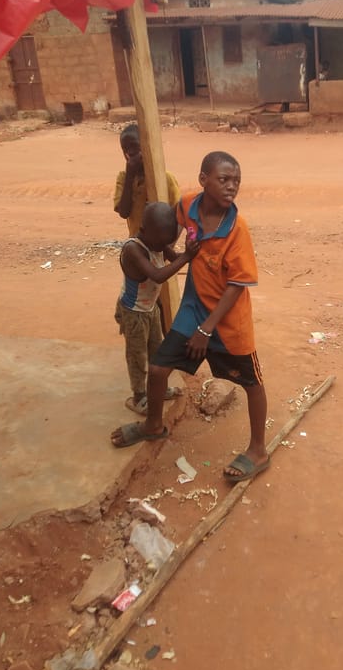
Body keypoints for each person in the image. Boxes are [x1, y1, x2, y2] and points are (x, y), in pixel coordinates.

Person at [111, 151, 269, 484]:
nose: (231, 187)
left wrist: (206, 330)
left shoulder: (236, 229)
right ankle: (153, 425)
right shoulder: (188, 207)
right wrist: (151, 249)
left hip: (227, 322)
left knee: (251, 383)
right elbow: (163, 226)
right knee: (157, 369)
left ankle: (258, 450)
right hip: (192, 309)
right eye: (223, 179)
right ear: (203, 180)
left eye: (236, 181)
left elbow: (237, 286)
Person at [115, 202, 200, 416]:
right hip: (133, 312)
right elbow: (158, 275)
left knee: (157, 349)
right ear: (144, 230)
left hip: (150, 308)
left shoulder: (158, 241)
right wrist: (186, 257)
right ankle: (138, 396)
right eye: (162, 241)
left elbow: (174, 257)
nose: (164, 246)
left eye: (168, 241)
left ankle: (156, 388)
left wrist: (190, 253)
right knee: (137, 355)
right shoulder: (133, 249)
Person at [113, 123, 181, 237]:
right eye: (125, 149)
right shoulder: (123, 177)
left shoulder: (165, 178)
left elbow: (179, 214)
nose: (129, 152)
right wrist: (130, 175)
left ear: (145, 146)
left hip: (161, 245)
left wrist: (169, 245)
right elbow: (124, 213)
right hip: (136, 243)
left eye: (134, 146)